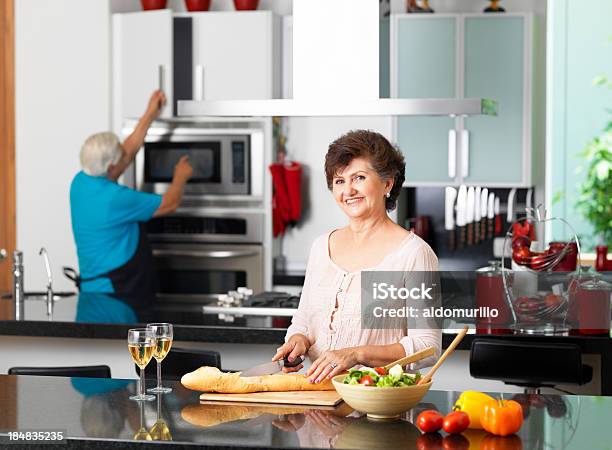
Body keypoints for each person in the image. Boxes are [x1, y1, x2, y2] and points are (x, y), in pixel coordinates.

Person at [272, 129, 441, 383]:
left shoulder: (414, 254)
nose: (348, 190)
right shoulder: (321, 247)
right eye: (339, 181)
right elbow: (304, 319)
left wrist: (357, 354)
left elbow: (428, 346)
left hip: (379, 408)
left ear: (387, 183)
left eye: (359, 177)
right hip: (318, 401)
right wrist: (298, 339)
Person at [70, 90, 193, 296]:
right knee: (129, 330)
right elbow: (170, 203)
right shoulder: (115, 198)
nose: (124, 156)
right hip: (116, 291)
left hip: (94, 289)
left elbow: (125, 154)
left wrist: (150, 114)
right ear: (111, 168)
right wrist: (180, 176)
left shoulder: (80, 182)